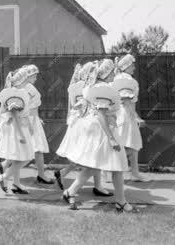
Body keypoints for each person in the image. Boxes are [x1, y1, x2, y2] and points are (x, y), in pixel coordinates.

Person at [61, 59, 137, 213]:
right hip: (103, 130)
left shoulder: (94, 87)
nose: (113, 74)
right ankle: (121, 202)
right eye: (112, 71)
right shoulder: (103, 89)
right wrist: (110, 137)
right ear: (107, 72)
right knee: (116, 165)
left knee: (94, 165)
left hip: (97, 129)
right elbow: (102, 114)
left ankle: (70, 192)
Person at [55, 62, 112, 196]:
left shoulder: (74, 87)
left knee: (86, 155)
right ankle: (67, 177)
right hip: (85, 124)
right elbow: (87, 106)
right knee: (89, 155)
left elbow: (73, 106)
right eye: (93, 71)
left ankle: (97, 186)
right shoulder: (88, 87)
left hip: (76, 124)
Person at [0, 66, 35, 195]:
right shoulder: (16, 95)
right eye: (27, 78)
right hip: (16, 128)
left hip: (17, 127)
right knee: (26, 157)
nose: (29, 80)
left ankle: (16, 183)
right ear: (22, 80)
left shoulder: (17, 92)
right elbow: (15, 116)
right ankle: (4, 177)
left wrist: (29, 126)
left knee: (17, 157)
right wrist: (22, 134)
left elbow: (22, 113)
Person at [112, 54, 148, 182]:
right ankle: (128, 172)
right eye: (132, 65)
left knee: (128, 145)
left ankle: (132, 172)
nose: (134, 68)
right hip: (125, 116)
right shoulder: (126, 80)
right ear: (126, 66)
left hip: (121, 115)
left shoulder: (118, 78)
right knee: (127, 145)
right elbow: (126, 101)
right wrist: (136, 117)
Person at [22, 65, 54, 184]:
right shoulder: (27, 88)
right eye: (34, 75)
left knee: (35, 149)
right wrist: (34, 118)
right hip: (31, 121)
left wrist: (37, 117)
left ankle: (5, 168)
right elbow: (26, 107)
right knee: (37, 149)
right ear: (28, 75)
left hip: (33, 119)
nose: (36, 77)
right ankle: (6, 171)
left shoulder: (26, 87)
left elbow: (31, 106)